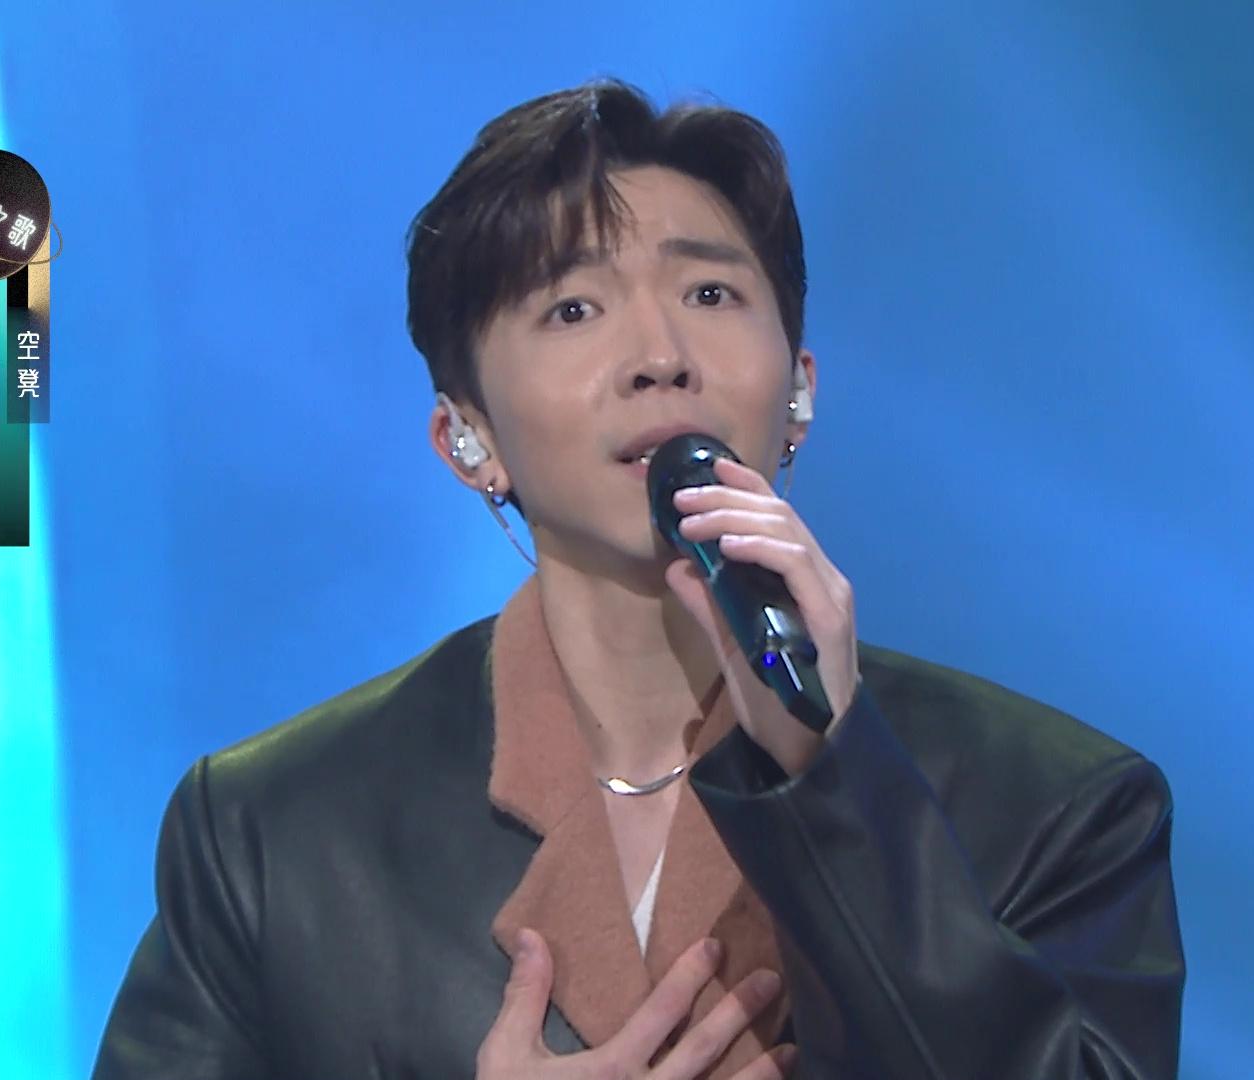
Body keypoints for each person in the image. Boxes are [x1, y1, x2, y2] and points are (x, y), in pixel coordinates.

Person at [91, 77, 1185, 1080]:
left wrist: (835, 774)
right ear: (470, 437)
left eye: (710, 293)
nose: (661, 355)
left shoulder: (1055, 808)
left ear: (799, 390)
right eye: (573, 309)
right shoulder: (274, 831)